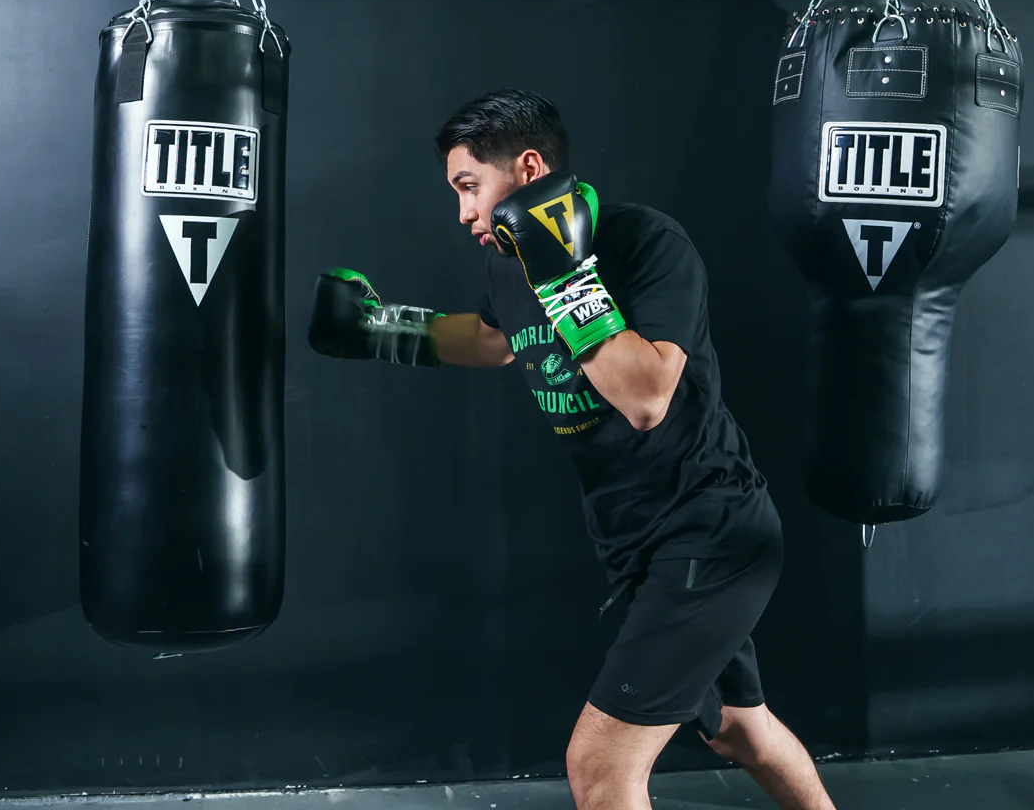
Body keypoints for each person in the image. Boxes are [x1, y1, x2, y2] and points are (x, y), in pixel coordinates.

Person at [308, 89, 835, 810]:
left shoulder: (646, 243)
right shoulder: (504, 263)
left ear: (526, 168)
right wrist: (386, 331)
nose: (463, 212)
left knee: (599, 765)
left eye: (470, 187)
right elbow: (496, 341)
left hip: (709, 532)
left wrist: (567, 280)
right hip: (636, 541)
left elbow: (647, 396)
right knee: (738, 730)